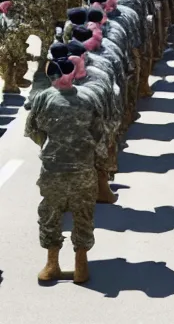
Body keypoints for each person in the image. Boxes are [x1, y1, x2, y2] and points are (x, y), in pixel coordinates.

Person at [25, 57, 108, 284]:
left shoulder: (43, 98)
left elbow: (32, 130)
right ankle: (78, 265)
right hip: (82, 167)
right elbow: (100, 134)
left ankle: (57, 263)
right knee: (82, 215)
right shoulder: (89, 97)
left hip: (55, 167)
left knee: (52, 214)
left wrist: (51, 145)